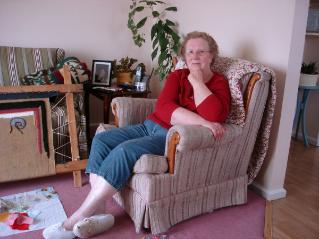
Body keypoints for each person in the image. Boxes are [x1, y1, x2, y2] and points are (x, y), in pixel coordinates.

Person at [43, 31, 231, 239]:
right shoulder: (177, 76)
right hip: (149, 125)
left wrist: (196, 81)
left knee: (125, 150)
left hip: (169, 137)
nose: (195, 56)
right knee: (103, 138)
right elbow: (163, 108)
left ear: (212, 55)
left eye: (201, 51)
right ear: (184, 56)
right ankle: (101, 214)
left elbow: (215, 113)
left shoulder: (219, 83)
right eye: (190, 52)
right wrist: (204, 122)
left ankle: (75, 219)